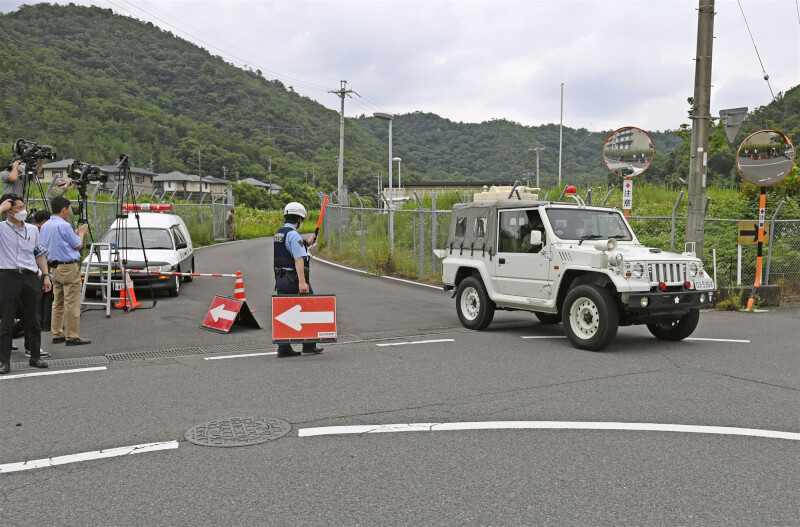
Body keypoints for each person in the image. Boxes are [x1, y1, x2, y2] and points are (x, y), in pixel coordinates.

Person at [0, 193, 51, 374]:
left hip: (30, 276)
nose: (23, 211)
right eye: (18, 208)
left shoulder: (32, 229)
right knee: (6, 321)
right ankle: (4, 362)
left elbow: (39, 253)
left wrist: (46, 275)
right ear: (8, 211)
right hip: (8, 276)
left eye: (23, 206)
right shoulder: (2, 229)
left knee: (34, 320)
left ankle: (35, 356)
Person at [273, 201, 324, 358]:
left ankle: (284, 348)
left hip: (280, 278)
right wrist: (302, 282)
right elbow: (298, 259)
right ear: (300, 219)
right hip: (293, 278)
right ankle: (309, 345)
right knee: (309, 306)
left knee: (283, 309)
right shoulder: (294, 235)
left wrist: (307, 243)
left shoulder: (280, 233)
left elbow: (289, 251)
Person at [40, 196, 91, 346]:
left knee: (58, 301)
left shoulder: (46, 225)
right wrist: (81, 233)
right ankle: (72, 336)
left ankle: (56, 333)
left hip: (53, 266)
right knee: (72, 302)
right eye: (68, 209)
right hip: (68, 266)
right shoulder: (64, 225)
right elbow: (77, 245)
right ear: (64, 209)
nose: (69, 212)